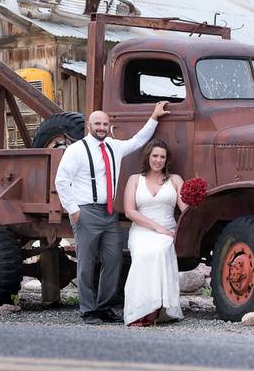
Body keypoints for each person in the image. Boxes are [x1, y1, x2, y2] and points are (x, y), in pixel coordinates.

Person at [55, 101, 169, 325]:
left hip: (109, 213)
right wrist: (74, 211)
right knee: (86, 262)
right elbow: (61, 181)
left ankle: (104, 307)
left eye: (105, 124)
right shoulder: (76, 150)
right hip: (86, 211)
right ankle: (88, 310)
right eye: (97, 123)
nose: (101, 127)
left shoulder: (113, 147)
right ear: (89, 125)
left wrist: (154, 117)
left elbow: (138, 140)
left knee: (113, 259)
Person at [122, 139, 187, 327]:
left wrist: (195, 200)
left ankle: (158, 308)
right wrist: (156, 227)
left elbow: (185, 208)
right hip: (141, 230)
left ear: (167, 160)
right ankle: (139, 309)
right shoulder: (135, 179)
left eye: (162, 157)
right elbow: (129, 211)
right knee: (143, 254)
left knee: (161, 249)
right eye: (155, 156)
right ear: (148, 157)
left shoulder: (175, 180)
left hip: (167, 231)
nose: (158, 160)